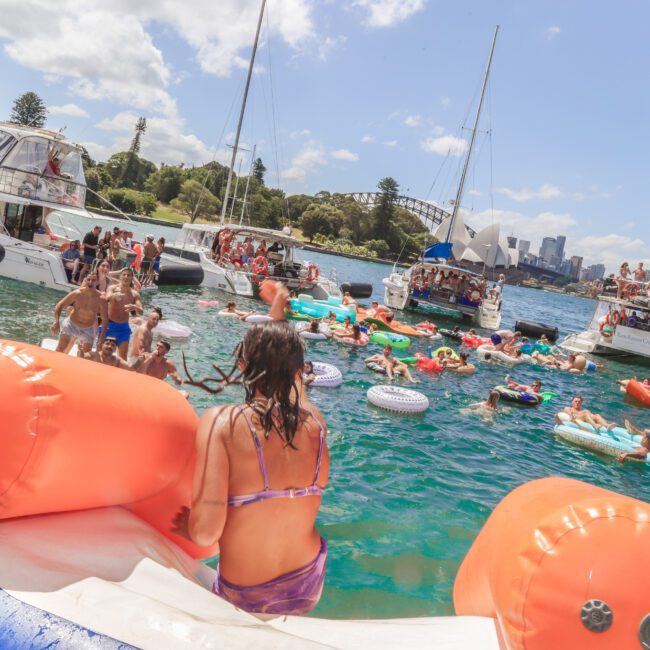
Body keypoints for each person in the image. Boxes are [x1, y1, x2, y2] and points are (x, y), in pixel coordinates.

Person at [171, 321, 329, 616]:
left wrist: (189, 528)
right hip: (310, 579)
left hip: (248, 592)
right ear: (299, 372)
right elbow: (295, 394)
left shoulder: (223, 423)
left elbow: (206, 533)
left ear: (242, 366)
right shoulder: (317, 424)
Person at [51, 272, 108, 354]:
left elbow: (105, 319)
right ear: (85, 280)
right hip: (71, 325)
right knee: (60, 349)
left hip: (87, 329)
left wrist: (101, 337)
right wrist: (56, 321)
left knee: (86, 356)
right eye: (88, 279)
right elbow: (59, 305)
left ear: (97, 282)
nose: (90, 282)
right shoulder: (77, 293)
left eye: (93, 280)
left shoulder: (101, 299)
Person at [102, 267, 143, 359]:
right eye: (124, 274)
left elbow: (141, 312)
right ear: (120, 277)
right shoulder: (112, 288)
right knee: (102, 353)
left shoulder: (135, 294)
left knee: (123, 357)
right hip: (109, 324)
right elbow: (106, 299)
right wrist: (113, 296)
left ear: (132, 278)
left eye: (129, 275)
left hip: (123, 327)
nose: (126, 277)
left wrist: (135, 307)